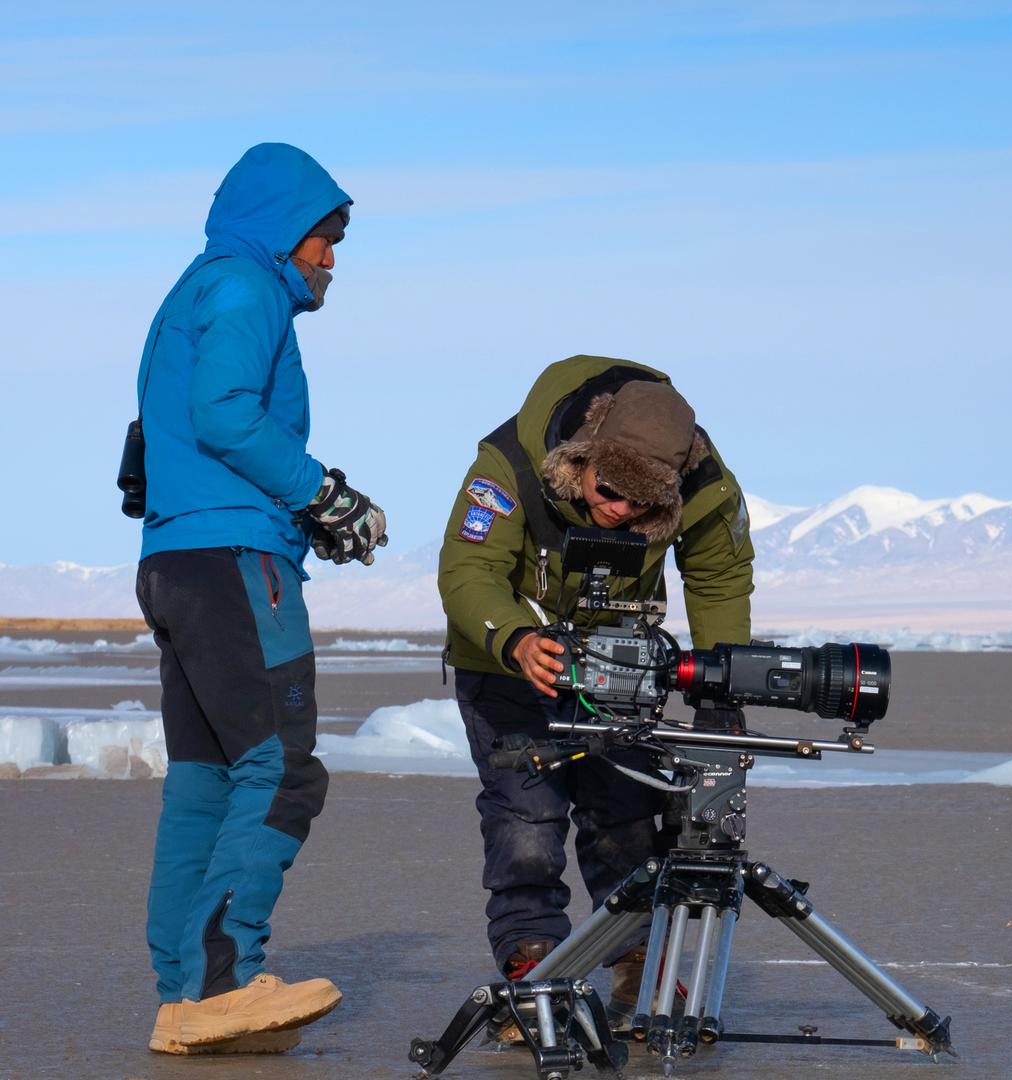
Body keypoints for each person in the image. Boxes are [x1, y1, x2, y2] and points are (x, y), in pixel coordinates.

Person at [134, 143, 388, 1055]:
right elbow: (227, 413)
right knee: (283, 768)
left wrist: (298, 509)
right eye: (327, 237)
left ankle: (185, 1001)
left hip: (177, 558)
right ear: (287, 231)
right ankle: (226, 980)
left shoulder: (191, 292)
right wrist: (323, 492)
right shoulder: (247, 287)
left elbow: (162, 439)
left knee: (206, 781)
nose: (332, 258)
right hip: (233, 561)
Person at [438, 355, 754, 1030]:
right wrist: (519, 639)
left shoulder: (702, 480)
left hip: (621, 657)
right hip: (505, 660)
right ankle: (535, 959)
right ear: (580, 457)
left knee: (627, 808)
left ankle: (633, 953)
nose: (620, 513)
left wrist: (722, 683)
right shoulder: (508, 464)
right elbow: (469, 572)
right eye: (610, 491)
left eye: (644, 507)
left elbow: (720, 576)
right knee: (527, 814)